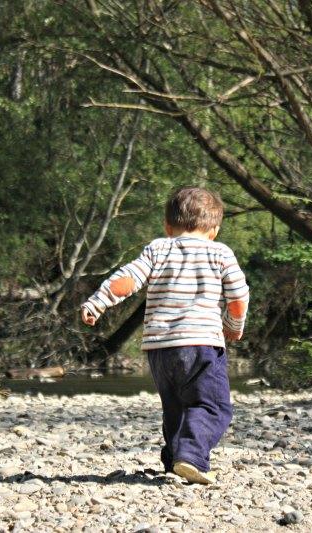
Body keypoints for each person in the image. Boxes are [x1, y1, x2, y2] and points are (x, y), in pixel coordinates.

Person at [80, 186, 249, 485]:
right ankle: (192, 456)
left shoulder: (158, 248)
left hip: (161, 348)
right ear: (215, 229)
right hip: (201, 344)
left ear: (168, 226)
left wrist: (98, 302)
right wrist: (233, 327)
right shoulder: (221, 253)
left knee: (175, 406)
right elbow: (238, 296)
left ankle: (174, 459)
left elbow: (128, 279)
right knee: (212, 405)